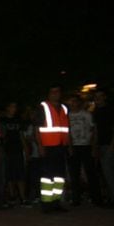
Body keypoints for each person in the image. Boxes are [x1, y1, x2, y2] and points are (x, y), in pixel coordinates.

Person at [35, 84, 70, 213]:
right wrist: (40, 146)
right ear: (49, 94)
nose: (56, 94)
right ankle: (46, 203)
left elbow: (66, 129)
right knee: (47, 177)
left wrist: (68, 145)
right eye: (53, 92)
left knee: (59, 176)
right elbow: (37, 128)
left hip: (61, 146)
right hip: (48, 146)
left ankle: (56, 202)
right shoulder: (43, 107)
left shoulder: (64, 108)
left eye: (58, 91)